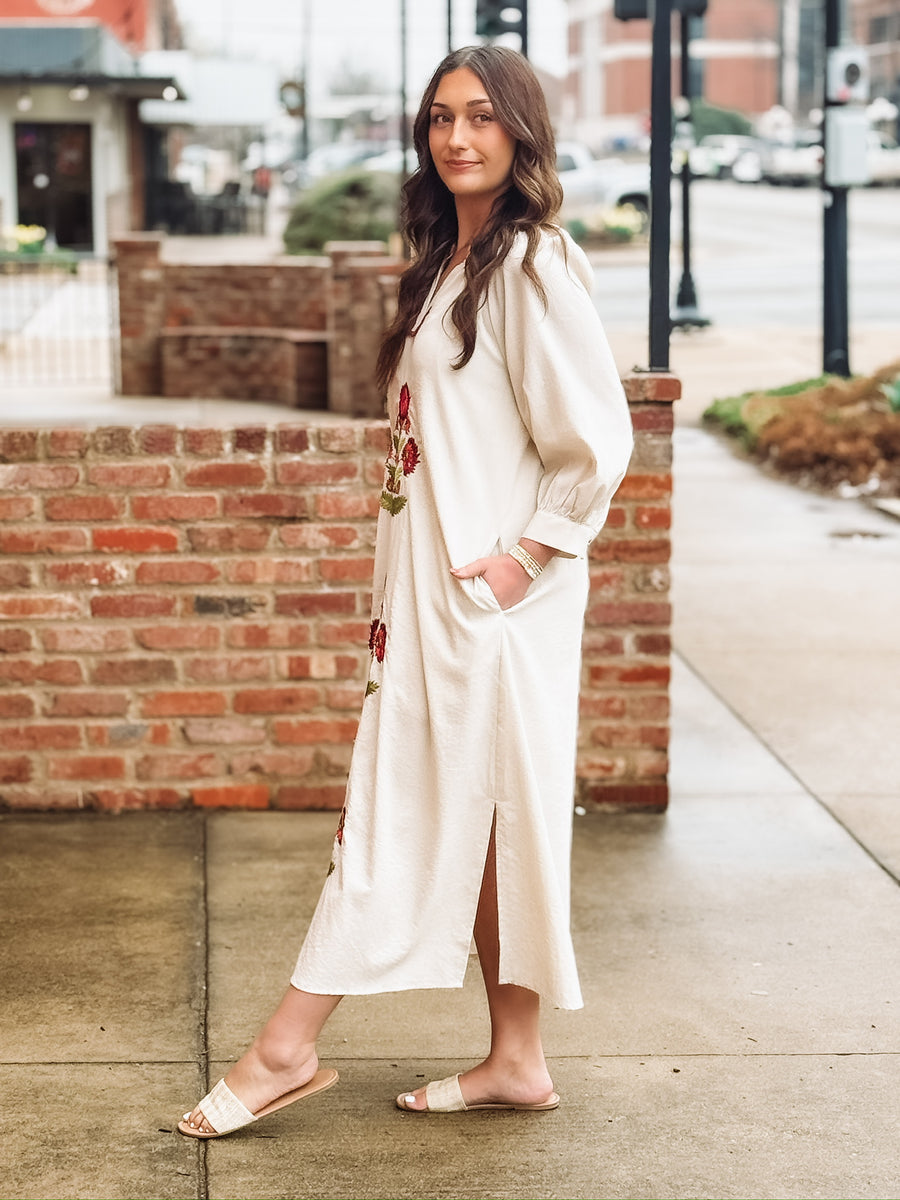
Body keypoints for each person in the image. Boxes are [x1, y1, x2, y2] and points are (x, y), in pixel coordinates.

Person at [178, 44, 633, 1138]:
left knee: (398, 810)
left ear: (521, 131)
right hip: (435, 596)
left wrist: (522, 559)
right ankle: (516, 1061)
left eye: (480, 116)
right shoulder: (448, 266)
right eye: (439, 118)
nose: (457, 137)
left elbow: (595, 439)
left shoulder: (531, 263)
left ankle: (285, 1047)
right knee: (489, 821)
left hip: (493, 605)